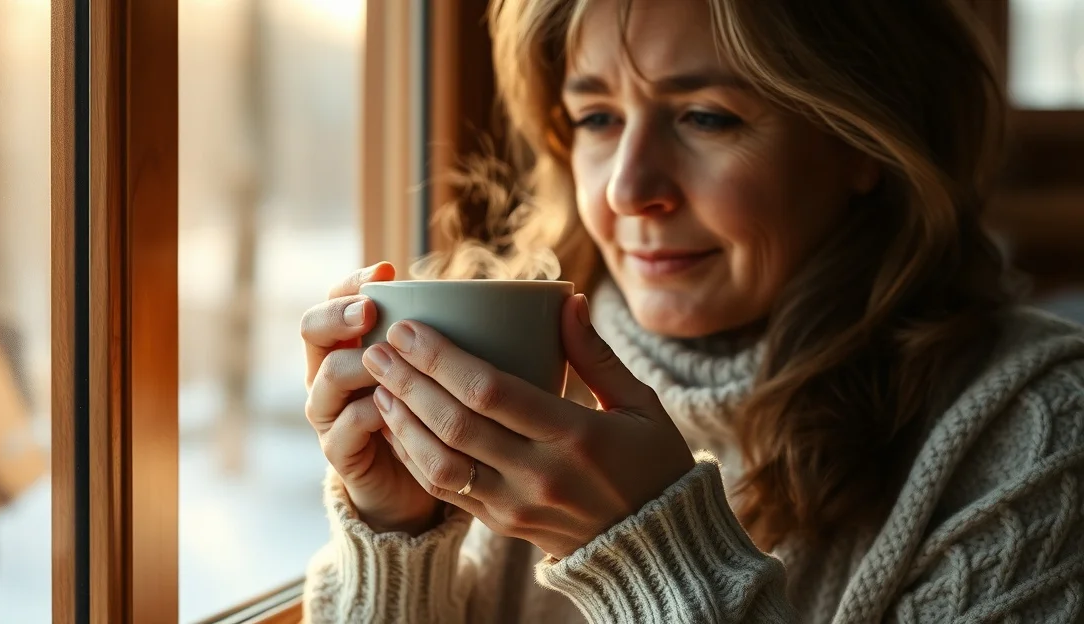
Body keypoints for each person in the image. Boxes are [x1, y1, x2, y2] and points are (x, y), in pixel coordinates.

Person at [299, 0, 1084, 621]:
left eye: (707, 116)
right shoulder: (528, 379)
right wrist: (395, 536)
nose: (627, 189)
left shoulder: (1034, 433)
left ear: (863, 140)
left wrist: (649, 554)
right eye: (597, 118)